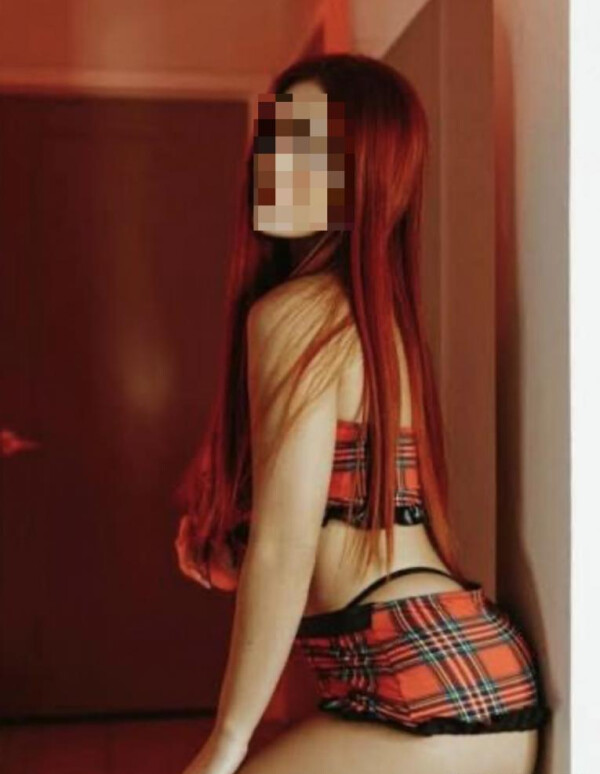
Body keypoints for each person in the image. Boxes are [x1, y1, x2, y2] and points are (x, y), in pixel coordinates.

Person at [173, 53, 550, 774]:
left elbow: (288, 547)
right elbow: (327, 520)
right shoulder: (374, 322)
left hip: (421, 681)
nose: (280, 163)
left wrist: (226, 741)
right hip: (468, 673)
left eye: (313, 146)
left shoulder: (298, 315)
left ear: (370, 170)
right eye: (278, 137)